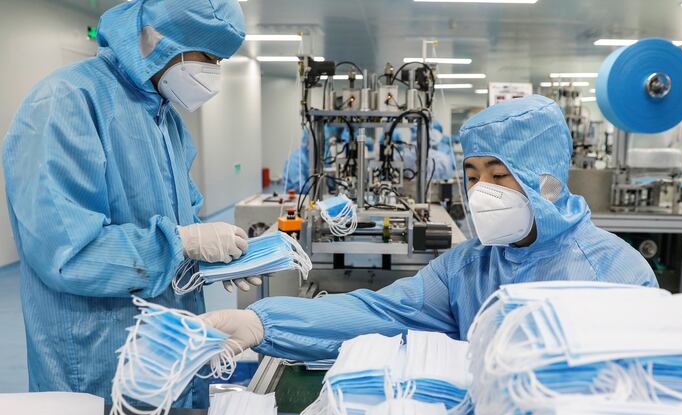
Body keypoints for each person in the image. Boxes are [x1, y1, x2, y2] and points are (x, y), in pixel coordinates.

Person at [203, 95, 658, 361]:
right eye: (473, 176)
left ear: (547, 178)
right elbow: (380, 313)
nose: (482, 193)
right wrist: (261, 322)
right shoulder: (469, 267)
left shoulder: (616, 274)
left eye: (499, 176)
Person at [2, 0, 253, 407]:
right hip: (98, 364)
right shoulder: (65, 102)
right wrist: (183, 243)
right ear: (164, 40)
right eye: (209, 57)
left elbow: (184, 218)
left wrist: (217, 259)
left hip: (169, 350)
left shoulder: (164, 118)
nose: (214, 73)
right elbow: (68, 254)